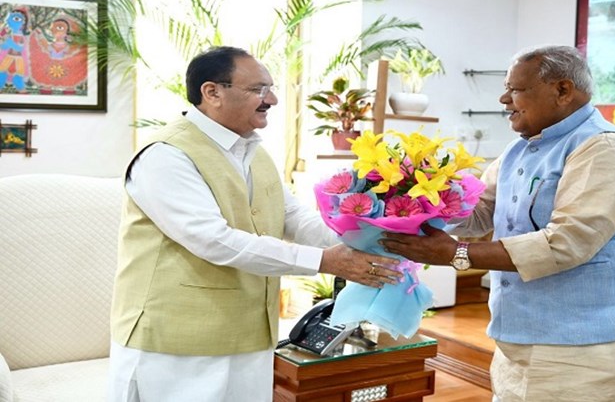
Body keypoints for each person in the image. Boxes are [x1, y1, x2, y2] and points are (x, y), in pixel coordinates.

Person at [381, 45, 615, 402]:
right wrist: (414, 200)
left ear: (563, 91)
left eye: (516, 89)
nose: (504, 98)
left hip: (603, 344)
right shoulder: (519, 150)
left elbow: (566, 244)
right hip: (525, 335)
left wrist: (456, 253)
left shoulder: (608, 149)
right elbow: (478, 214)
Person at [107, 46, 402, 402]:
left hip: (247, 334)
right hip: (176, 344)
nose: (272, 99)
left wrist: (371, 240)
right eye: (258, 90)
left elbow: (291, 215)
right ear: (212, 92)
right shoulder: (165, 155)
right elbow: (213, 240)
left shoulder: (252, 150)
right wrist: (325, 261)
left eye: (271, 88)